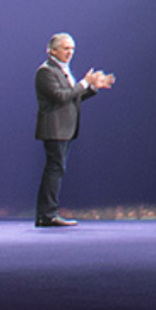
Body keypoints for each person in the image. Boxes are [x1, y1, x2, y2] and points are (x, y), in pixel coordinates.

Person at [35, 32, 114, 226]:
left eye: (72, 49)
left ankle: (48, 213)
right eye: (65, 48)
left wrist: (93, 88)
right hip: (54, 128)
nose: (70, 52)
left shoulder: (64, 70)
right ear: (52, 50)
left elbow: (73, 97)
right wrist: (84, 82)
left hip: (65, 128)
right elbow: (60, 97)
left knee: (58, 169)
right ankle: (47, 214)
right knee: (55, 169)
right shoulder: (46, 72)